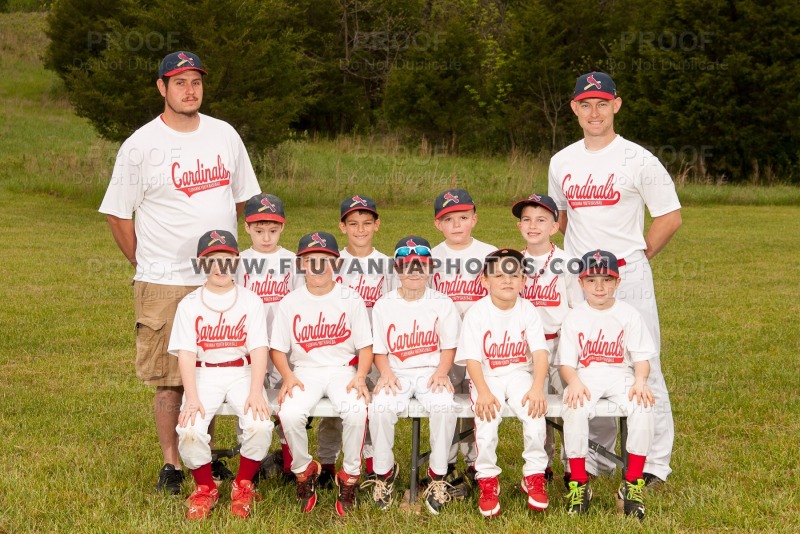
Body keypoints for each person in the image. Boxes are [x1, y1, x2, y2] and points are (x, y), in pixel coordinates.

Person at [98, 50, 261, 493]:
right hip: (165, 279)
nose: (190, 90)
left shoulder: (224, 135)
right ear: (161, 88)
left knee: (225, 369)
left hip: (222, 275)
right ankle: (173, 464)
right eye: (180, 82)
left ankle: (204, 456)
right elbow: (117, 214)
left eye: (196, 82)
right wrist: (145, 261)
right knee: (171, 377)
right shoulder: (140, 145)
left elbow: (242, 197)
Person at [548, 71, 681, 485]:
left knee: (644, 363)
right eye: (585, 104)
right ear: (574, 109)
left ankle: (656, 463)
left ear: (616, 105)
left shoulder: (638, 158)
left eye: (602, 103)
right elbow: (561, 217)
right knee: (588, 361)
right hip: (577, 277)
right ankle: (599, 457)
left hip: (627, 273)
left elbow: (670, 216)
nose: (594, 112)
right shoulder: (562, 160)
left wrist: (636, 258)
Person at [169, 230, 273, 519]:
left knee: (260, 424)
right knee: (189, 428)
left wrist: (255, 390)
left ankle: (243, 484)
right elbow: (187, 354)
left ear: (236, 261)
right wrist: (191, 396)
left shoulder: (250, 301)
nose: (219, 266)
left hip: (243, 371)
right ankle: (205, 487)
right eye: (212, 259)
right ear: (202, 263)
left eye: (226, 258)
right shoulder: (189, 304)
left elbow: (259, 349)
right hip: (204, 374)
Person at [269, 231, 373, 516]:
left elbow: (366, 346)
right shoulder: (290, 302)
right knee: (289, 414)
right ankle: (304, 471)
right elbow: (277, 349)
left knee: (355, 411)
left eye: (324, 260)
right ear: (301, 264)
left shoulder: (350, 299)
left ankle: (349, 476)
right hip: (305, 370)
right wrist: (287, 376)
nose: (317, 266)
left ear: (336, 264)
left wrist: (361, 375)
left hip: (343, 370)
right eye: (310, 260)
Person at [365, 236, 461, 515]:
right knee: (380, 406)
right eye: (407, 266)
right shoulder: (385, 303)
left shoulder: (442, 302)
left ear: (430, 268)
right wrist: (384, 372)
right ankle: (383, 474)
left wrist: (443, 371)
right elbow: (379, 349)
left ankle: (437, 476)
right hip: (397, 372)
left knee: (444, 406)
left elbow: (449, 345)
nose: (414, 272)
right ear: (397, 269)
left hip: (432, 371)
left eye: (421, 265)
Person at [559, 250, 655, 519]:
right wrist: (574, 381)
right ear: (581, 283)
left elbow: (641, 358)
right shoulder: (575, 316)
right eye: (591, 280)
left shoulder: (628, 314)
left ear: (617, 282)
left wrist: (640, 380)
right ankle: (579, 482)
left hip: (621, 374)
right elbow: (566, 363)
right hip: (585, 375)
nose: (599, 287)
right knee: (574, 406)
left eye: (606, 279)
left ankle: (632, 483)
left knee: (643, 405)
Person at [454, 249, 550, 518]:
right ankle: (487, 479)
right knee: (487, 418)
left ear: (523, 280)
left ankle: (533, 474)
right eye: (498, 275)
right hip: (487, 377)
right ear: (485, 281)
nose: (507, 281)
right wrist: (482, 391)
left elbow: (540, 352)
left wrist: (537, 387)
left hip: (520, 374)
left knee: (534, 414)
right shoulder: (477, 313)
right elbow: (472, 359)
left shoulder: (528, 310)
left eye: (514, 275)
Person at [315, 195, 392, 487]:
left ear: (377, 225)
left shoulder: (386, 264)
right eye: (353, 223)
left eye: (367, 223)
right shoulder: (333, 263)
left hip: (378, 347)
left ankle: (370, 465)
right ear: (342, 226)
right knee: (333, 413)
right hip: (341, 348)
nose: (361, 229)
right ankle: (326, 463)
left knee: (370, 407)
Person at [430, 188, 497, 494]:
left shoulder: (489, 253)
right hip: (441, 346)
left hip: (478, 345)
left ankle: (473, 463)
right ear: (437, 224)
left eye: (463, 217)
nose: (456, 225)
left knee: (473, 404)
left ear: (474, 219)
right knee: (444, 402)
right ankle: (444, 463)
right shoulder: (431, 256)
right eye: (449, 219)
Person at [512, 193, 582, 478]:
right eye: (526, 219)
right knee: (536, 405)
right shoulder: (513, 263)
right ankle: (544, 465)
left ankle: (571, 465)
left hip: (559, 344)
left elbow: (578, 309)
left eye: (542, 220)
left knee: (567, 404)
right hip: (526, 348)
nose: (533, 225)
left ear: (555, 226)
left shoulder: (567, 262)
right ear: (519, 227)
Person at [236, 193, 298, 482]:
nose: (266, 237)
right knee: (251, 400)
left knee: (287, 404)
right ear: (246, 227)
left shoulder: (291, 260)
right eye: (259, 230)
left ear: (282, 228)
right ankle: (251, 460)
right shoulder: (239, 261)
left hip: (284, 345)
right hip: (249, 346)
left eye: (273, 231)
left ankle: (290, 463)